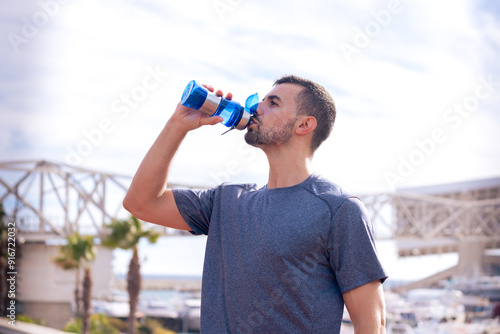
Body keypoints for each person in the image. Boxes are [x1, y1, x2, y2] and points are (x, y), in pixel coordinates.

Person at [123, 75, 388, 333]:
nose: (256, 108)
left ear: (304, 125)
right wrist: (177, 124)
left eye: (272, 103)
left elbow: (371, 325)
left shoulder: (339, 210)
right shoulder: (225, 202)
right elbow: (141, 202)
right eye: (261, 101)